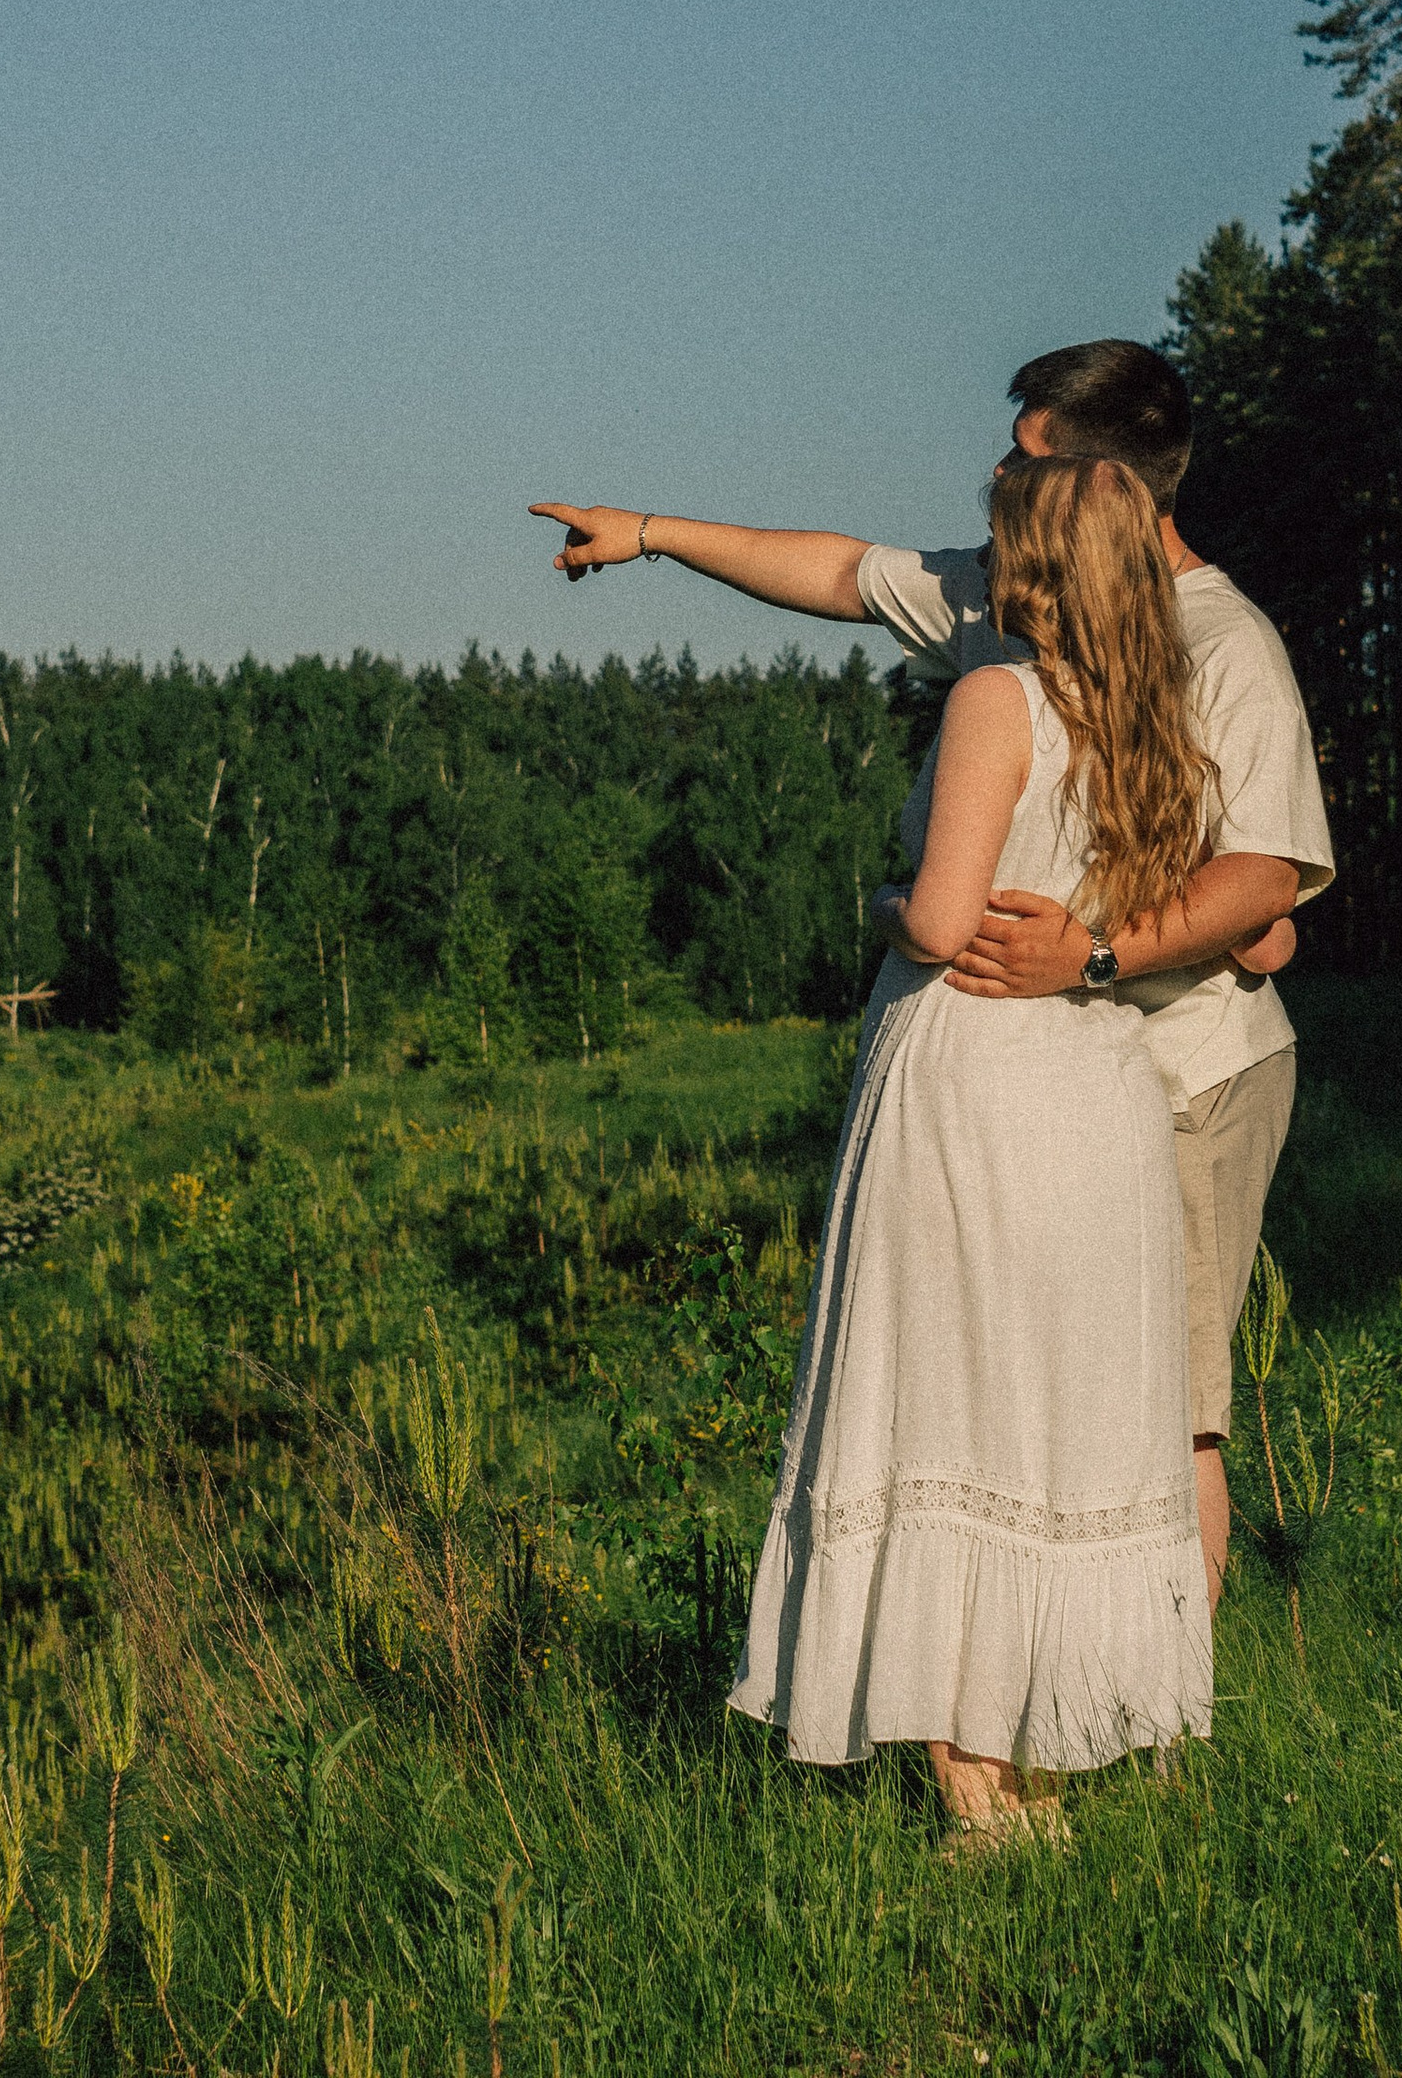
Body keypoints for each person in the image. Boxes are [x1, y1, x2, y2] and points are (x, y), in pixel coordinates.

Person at [530, 336, 1336, 1620]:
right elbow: (847, 572)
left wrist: (1095, 952)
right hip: (1048, 1082)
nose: (997, 484)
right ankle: (1055, 1687)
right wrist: (650, 532)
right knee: (1041, 1406)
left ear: (1107, 485)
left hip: (1182, 1070)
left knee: (1170, 1410)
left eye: (1028, 456)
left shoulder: (1224, 642)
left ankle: (1167, 1715)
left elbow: (1266, 888)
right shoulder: (1019, 600)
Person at [728, 448, 1217, 1826]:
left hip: (975, 1087)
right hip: (1097, 1090)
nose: (989, 566)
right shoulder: (1154, 715)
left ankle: (980, 1797)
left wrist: (884, 901)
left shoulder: (1000, 698)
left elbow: (946, 922)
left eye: (1007, 544)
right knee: (1060, 1420)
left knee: (946, 1398)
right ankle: (1046, 1759)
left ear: (1042, 568)